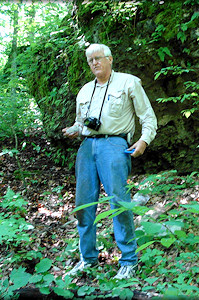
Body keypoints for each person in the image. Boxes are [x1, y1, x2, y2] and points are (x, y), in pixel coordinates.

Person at [62, 43, 157, 280]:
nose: (94, 63)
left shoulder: (128, 82)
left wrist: (144, 141)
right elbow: (81, 121)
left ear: (110, 59)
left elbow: (147, 116)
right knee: (83, 206)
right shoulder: (84, 90)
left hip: (115, 146)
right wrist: (74, 129)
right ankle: (88, 259)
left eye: (98, 58)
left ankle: (128, 261)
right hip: (86, 147)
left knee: (119, 202)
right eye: (90, 60)